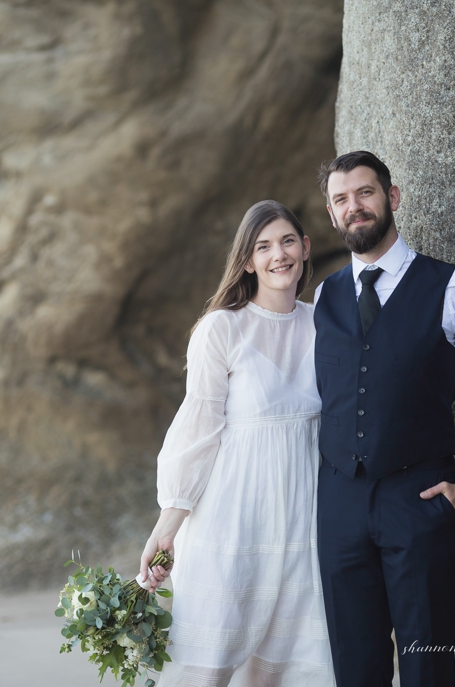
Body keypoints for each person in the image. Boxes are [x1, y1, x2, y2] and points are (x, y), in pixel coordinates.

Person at [312, 151, 455, 687]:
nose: (354, 207)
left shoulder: (452, 286)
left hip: (419, 502)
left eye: (365, 193)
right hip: (340, 508)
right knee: (356, 670)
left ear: (392, 197)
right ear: (331, 215)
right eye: (341, 200)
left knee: (428, 667)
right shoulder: (323, 298)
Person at [136, 201, 335, 686]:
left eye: (288, 241)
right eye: (263, 247)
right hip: (233, 520)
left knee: (274, 672)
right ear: (247, 261)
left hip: (301, 522)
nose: (278, 255)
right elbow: (198, 428)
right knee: (211, 670)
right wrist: (168, 525)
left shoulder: (325, 324)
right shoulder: (222, 328)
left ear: (306, 248)